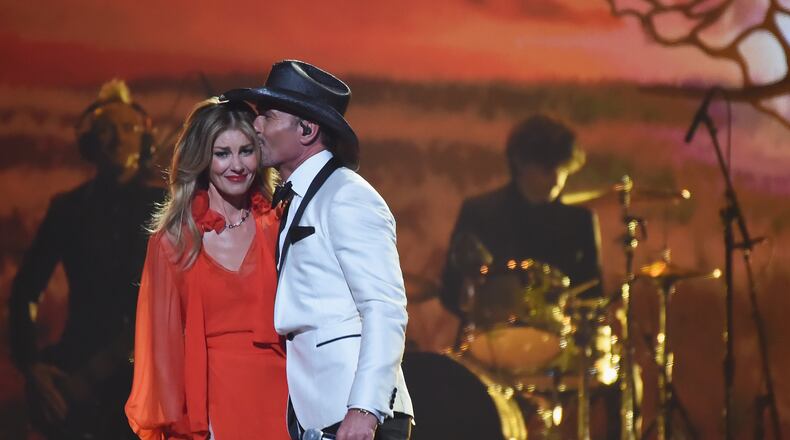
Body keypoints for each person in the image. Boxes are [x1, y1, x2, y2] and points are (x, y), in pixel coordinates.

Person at [223, 60, 414, 440]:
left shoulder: (347, 196)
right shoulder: (299, 198)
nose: (255, 126)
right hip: (320, 412)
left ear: (307, 130)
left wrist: (364, 409)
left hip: (355, 415)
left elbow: (384, 308)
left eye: (268, 116)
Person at [8, 79, 165, 440]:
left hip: (148, 374)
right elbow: (25, 291)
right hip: (79, 374)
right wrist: (32, 365)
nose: (119, 138)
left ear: (145, 140)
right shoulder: (68, 209)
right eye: (107, 130)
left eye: (128, 128)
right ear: (89, 143)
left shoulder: (167, 205)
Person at [124, 97, 289, 439]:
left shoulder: (280, 225)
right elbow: (162, 350)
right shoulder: (173, 241)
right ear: (202, 159)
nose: (237, 165)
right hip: (212, 410)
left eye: (246, 151)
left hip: (284, 400)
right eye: (222, 153)